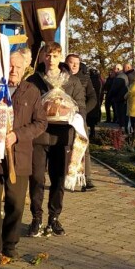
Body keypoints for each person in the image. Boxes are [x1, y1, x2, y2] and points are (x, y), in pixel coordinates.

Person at [0, 50, 47, 264]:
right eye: (11, 66)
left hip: (20, 156)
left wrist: (17, 135)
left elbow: (41, 122)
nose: (14, 71)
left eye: (18, 67)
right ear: (4, 67)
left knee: (15, 203)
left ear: (25, 70)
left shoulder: (31, 91)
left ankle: (10, 245)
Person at [27, 42, 85, 237]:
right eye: (48, 55)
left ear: (61, 58)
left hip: (62, 136)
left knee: (58, 178)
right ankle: (36, 217)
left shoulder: (71, 81)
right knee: (36, 177)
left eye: (55, 55)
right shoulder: (34, 80)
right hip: (38, 136)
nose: (51, 59)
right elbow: (27, 105)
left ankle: (54, 217)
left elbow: (81, 107)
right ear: (43, 57)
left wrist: (71, 113)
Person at [66, 54, 98, 191]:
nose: (74, 66)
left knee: (83, 147)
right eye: (71, 63)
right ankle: (64, 177)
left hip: (79, 117)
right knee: (65, 147)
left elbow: (93, 98)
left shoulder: (85, 79)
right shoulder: (61, 78)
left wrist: (83, 111)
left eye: (76, 63)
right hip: (63, 118)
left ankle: (87, 179)